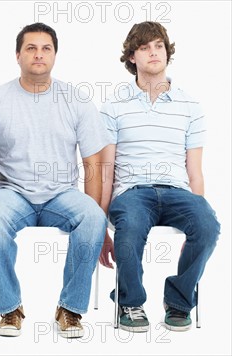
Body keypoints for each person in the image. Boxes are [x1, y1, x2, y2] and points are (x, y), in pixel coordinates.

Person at [0, 23, 109, 338]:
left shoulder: (76, 100)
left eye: (46, 48)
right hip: (12, 192)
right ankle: (9, 308)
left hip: (61, 194)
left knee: (93, 216)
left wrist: (97, 212)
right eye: (31, 48)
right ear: (18, 55)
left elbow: (92, 163)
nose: (39, 55)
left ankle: (70, 309)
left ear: (55, 55)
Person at [99, 21, 219, 332]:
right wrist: (101, 226)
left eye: (159, 46)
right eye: (144, 47)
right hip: (132, 192)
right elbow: (105, 170)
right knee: (131, 228)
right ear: (132, 58)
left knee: (208, 225)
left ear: (167, 53)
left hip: (178, 192)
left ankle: (178, 302)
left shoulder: (190, 106)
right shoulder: (113, 106)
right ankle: (131, 302)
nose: (154, 53)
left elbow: (195, 170)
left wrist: (197, 214)